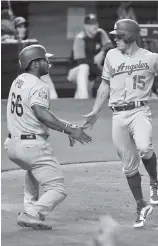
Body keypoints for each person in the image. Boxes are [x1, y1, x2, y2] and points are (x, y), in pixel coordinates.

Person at [82, 19, 158, 228]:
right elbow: (105, 84)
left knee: (145, 148)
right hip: (117, 116)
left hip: (139, 111)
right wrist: (95, 110)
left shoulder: (150, 58)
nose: (115, 39)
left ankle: (154, 182)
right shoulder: (111, 55)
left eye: (118, 36)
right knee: (128, 166)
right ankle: (141, 205)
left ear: (129, 36)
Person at [4, 44, 92, 230]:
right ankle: (33, 213)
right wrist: (69, 130)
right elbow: (41, 113)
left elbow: (36, 113)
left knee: (32, 171)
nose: (48, 62)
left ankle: (30, 211)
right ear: (35, 64)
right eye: (45, 59)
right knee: (57, 190)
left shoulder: (18, 81)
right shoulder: (39, 86)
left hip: (13, 145)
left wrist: (67, 124)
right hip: (31, 146)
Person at [67, 13, 113, 99]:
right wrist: (97, 66)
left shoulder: (100, 33)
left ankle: (80, 100)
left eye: (95, 23)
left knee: (85, 95)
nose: (94, 26)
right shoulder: (80, 38)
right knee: (84, 67)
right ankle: (83, 97)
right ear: (85, 26)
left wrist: (102, 53)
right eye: (91, 24)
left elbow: (110, 46)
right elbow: (81, 61)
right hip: (75, 71)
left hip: (91, 72)